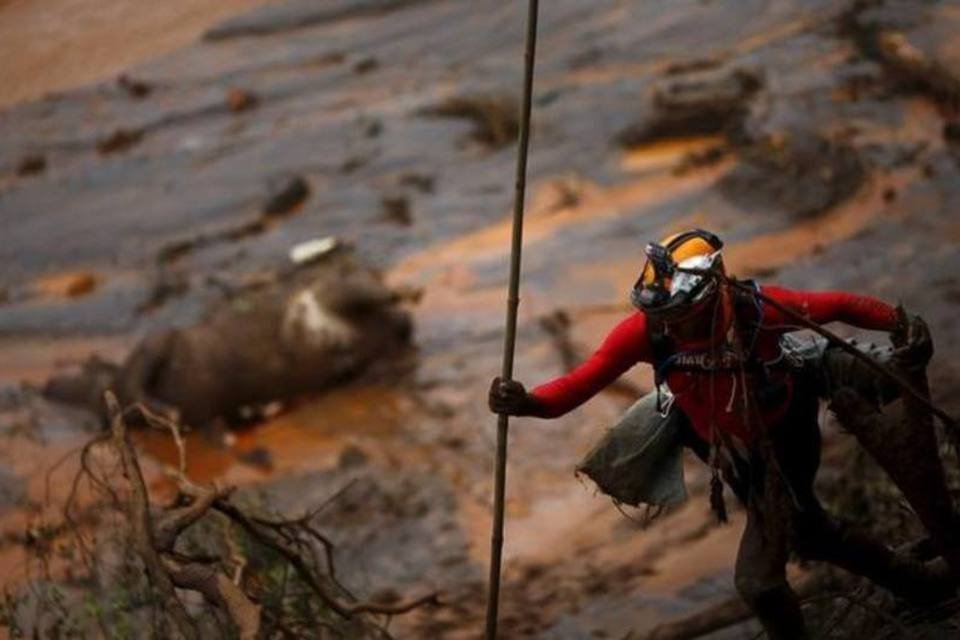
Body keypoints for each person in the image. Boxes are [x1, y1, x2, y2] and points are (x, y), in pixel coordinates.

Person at [488, 229, 959, 639]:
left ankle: (933, 541)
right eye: (661, 312)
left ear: (711, 296)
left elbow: (837, 305)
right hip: (747, 458)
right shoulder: (647, 334)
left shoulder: (759, 310)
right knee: (771, 572)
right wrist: (526, 402)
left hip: (793, 405)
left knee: (895, 371)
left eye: (677, 313)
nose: (667, 322)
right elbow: (578, 386)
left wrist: (901, 324)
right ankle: (917, 582)